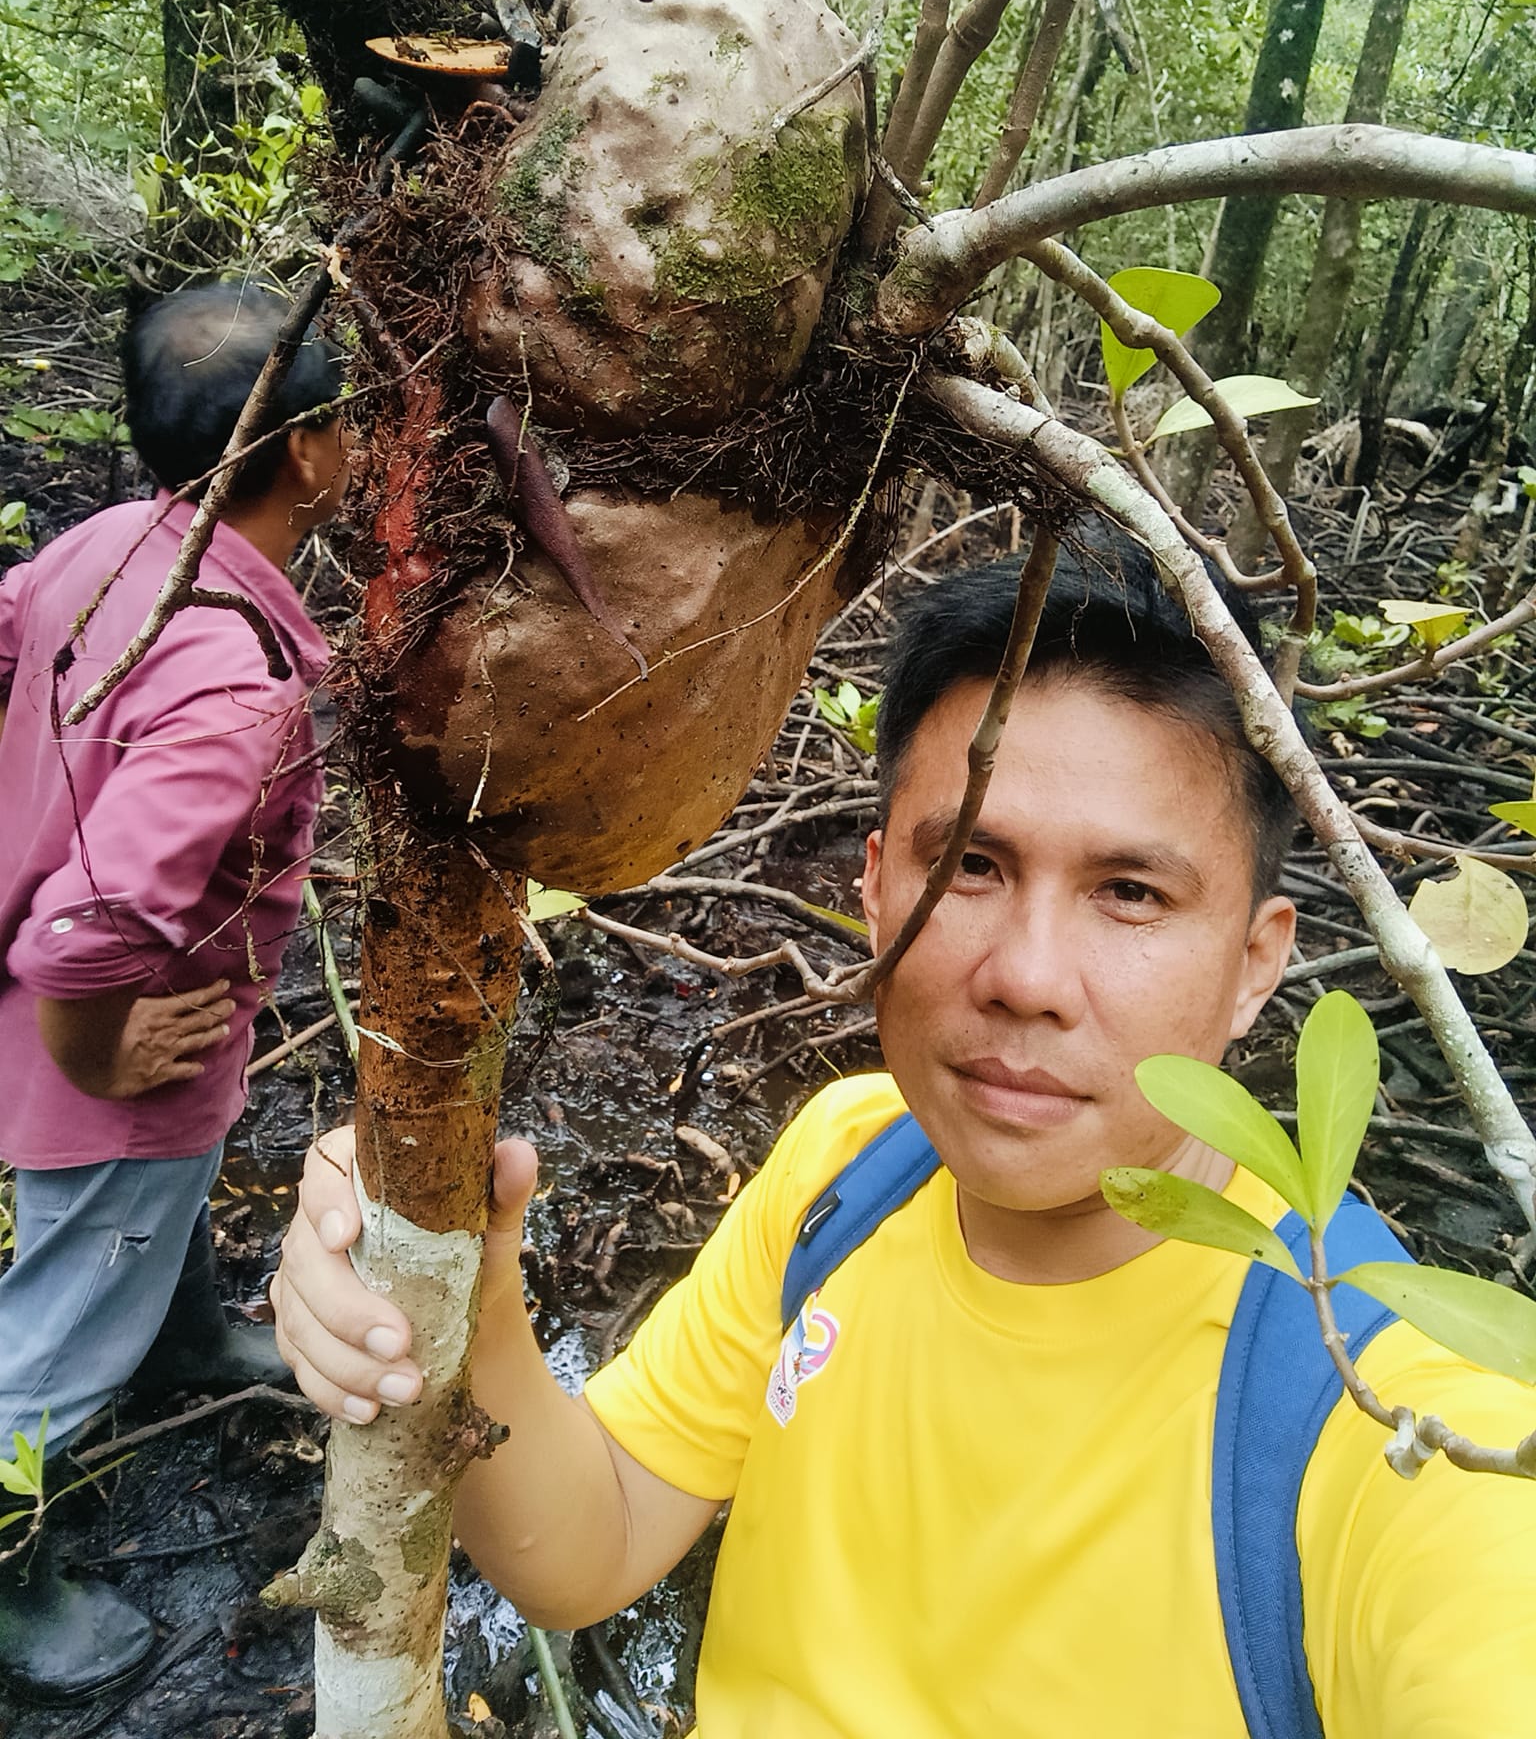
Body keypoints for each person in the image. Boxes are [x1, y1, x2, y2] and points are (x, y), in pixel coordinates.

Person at [272, 539, 1536, 1737]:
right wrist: (457, 1292)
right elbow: (589, 1540)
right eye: (973, 864)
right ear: (876, 887)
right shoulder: (851, 1159)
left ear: (1258, 962)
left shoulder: (1386, 1410)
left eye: (1130, 891)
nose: (1027, 976)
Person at [0, 280, 349, 1703]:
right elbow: (87, 936)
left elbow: (9, 630)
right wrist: (96, 1053)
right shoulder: (234, 686)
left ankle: (187, 1336)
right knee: (59, 1328)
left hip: (129, 1045)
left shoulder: (108, 545)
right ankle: (11, 1571)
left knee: (158, 1217)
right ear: (307, 454)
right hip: (107, 1071)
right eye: (347, 421)